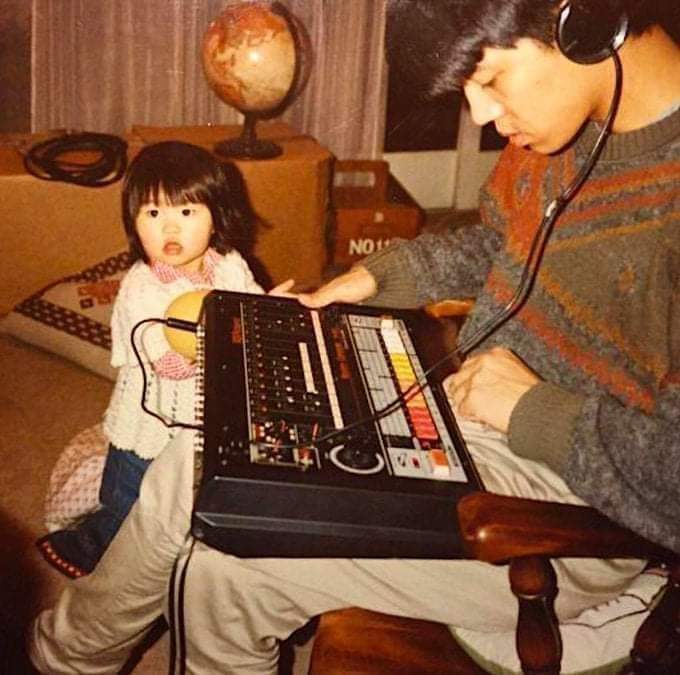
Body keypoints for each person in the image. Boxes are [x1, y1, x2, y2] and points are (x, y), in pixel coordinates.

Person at [29, 0, 680, 672]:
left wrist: (532, 409)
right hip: (464, 419)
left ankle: (59, 659)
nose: (482, 117)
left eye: (490, 81)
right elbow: (497, 238)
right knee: (215, 507)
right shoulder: (563, 131)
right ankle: (66, 657)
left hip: (568, 509)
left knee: (203, 499)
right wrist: (369, 278)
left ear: (588, 23)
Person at [36, 141, 263, 578]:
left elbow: (248, 305)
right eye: (153, 214)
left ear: (216, 218)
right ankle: (81, 548)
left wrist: (270, 309)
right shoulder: (143, 287)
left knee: (189, 496)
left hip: (202, 420)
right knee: (128, 499)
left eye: (187, 212)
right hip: (150, 421)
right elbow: (157, 351)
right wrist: (189, 352)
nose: (169, 229)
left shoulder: (230, 265)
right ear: (133, 222)